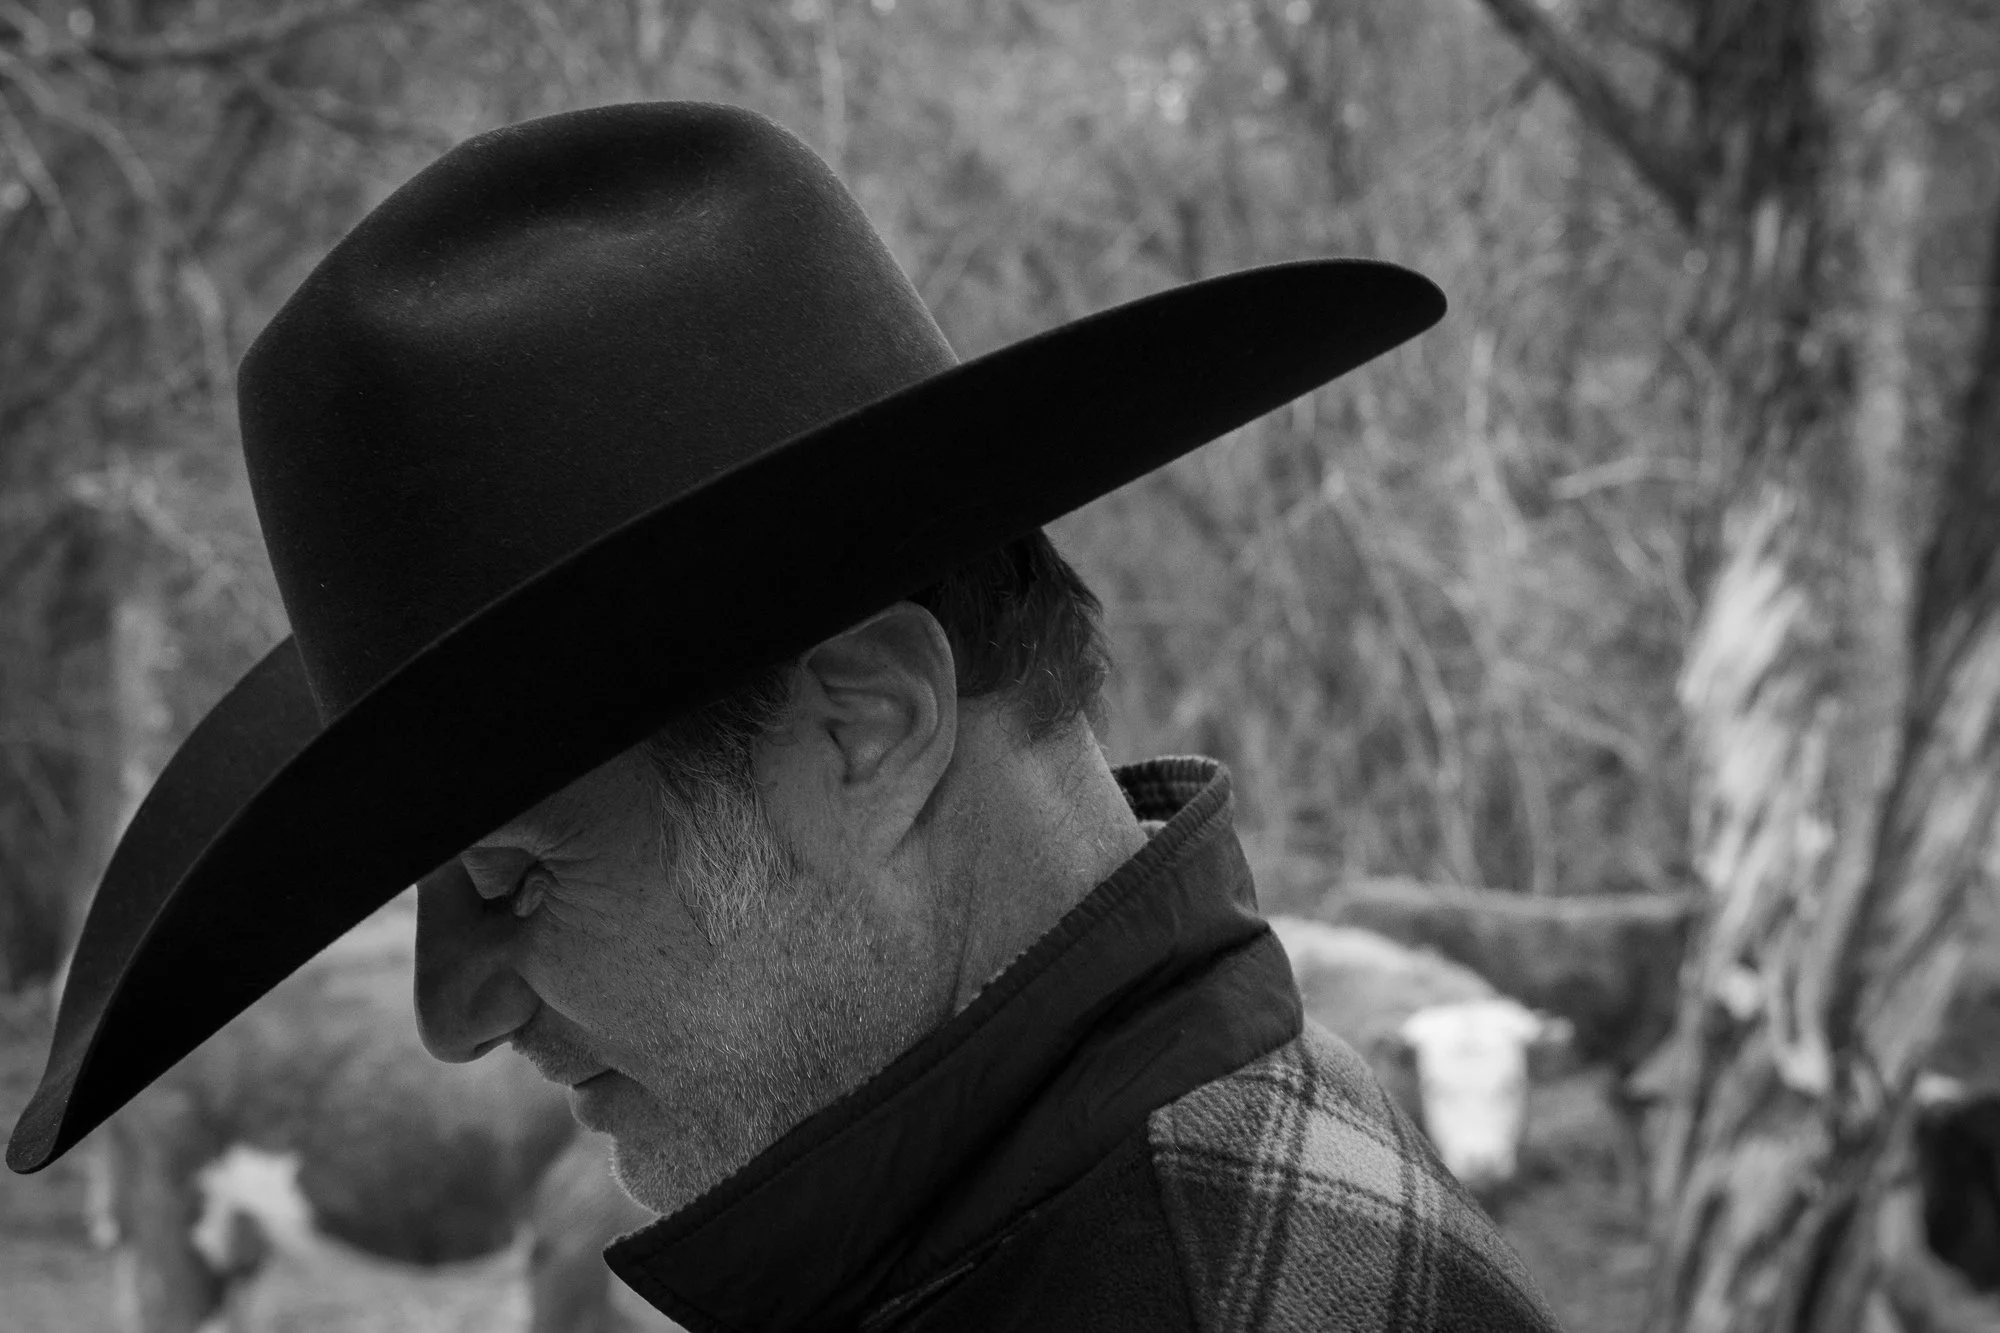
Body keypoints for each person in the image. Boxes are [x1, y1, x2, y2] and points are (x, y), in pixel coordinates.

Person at [9, 102, 1563, 1331]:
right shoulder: (1077, 1220)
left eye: (511, 875)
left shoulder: (1216, 1286)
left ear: (866, 731)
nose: (450, 1012)